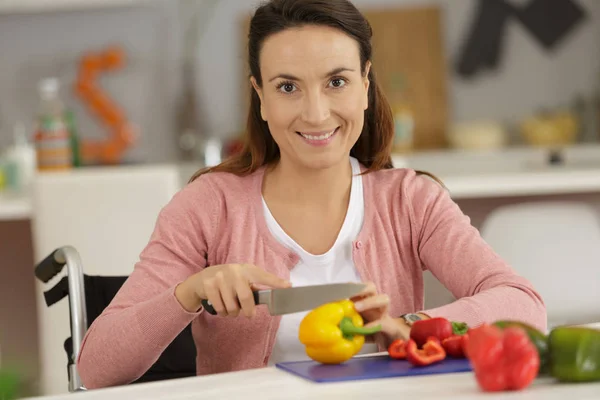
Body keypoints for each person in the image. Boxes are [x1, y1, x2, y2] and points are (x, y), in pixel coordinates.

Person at [76, 0, 546, 389]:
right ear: (259, 95)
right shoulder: (207, 206)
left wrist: (409, 324)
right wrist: (187, 293)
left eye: (336, 82)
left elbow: (524, 305)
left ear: (365, 84)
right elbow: (94, 370)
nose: (316, 113)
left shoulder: (410, 200)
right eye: (287, 87)